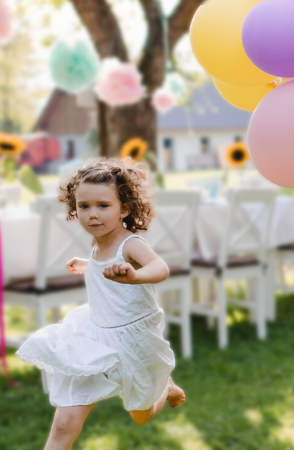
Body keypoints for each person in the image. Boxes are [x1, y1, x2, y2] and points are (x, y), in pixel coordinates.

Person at [17, 158, 185, 450]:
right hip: (95, 336)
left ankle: (164, 388)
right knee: (64, 423)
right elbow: (104, 265)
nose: (92, 215)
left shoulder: (130, 244)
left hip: (133, 342)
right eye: (84, 206)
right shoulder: (99, 242)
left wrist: (135, 276)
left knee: (141, 415)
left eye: (103, 206)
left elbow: (161, 269)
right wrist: (88, 264)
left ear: (125, 208)